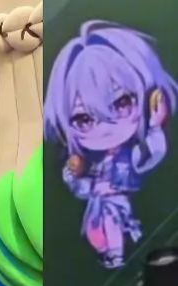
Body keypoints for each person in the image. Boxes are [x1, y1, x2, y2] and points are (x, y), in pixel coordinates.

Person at [45, 21, 178, 269]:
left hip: (115, 202)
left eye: (122, 102)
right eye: (83, 119)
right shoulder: (96, 165)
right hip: (98, 204)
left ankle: (116, 254)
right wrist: (72, 172)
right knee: (98, 227)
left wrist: (154, 127)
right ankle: (111, 253)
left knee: (109, 220)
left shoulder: (128, 157)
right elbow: (82, 187)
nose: (105, 127)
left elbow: (151, 153)